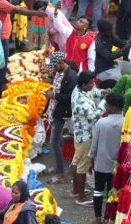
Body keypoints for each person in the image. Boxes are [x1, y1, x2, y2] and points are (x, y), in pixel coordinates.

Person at [0, 0, 46, 101]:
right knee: (0, 68)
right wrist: (37, 13)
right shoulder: (0, 2)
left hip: (0, 38)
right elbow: (18, 10)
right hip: (1, 39)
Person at [89, 93, 124, 224]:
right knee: (111, 193)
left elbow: (94, 145)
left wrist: (91, 160)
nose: (105, 107)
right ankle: (107, 221)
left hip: (101, 165)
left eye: (107, 105)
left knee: (98, 191)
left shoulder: (101, 123)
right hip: (118, 167)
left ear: (113, 108)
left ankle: (98, 221)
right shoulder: (127, 122)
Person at [71, 71, 107, 206]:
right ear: (84, 84)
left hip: (81, 134)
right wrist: (104, 102)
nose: (93, 85)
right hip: (85, 136)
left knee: (76, 161)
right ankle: (81, 197)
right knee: (82, 167)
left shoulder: (80, 89)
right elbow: (93, 116)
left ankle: (76, 189)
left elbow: (94, 92)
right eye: (91, 83)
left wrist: (103, 92)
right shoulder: (79, 99)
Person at [45, 52, 77, 184]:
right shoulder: (58, 73)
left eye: (55, 66)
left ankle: (61, 175)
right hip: (54, 109)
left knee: (53, 142)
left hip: (61, 112)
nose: (53, 69)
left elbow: (69, 98)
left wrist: (54, 96)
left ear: (61, 63)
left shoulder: (71, 76)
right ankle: (58, 167)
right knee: (56, 141)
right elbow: (57, 89)